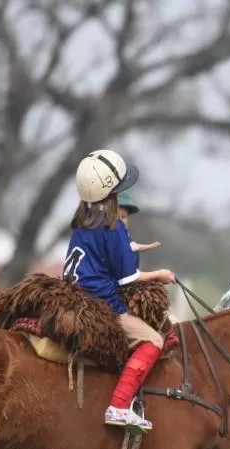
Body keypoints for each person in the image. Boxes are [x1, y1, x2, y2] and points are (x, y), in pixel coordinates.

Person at [65, 150, 176, 433]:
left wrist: (132, 248)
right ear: (110, 190)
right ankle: (119, 405)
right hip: (101, 305)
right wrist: (161, 276)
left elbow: (98, 255)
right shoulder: (112, 226)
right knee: (154, 340)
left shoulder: (83, 220)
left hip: (74, 298)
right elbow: (128, 280)